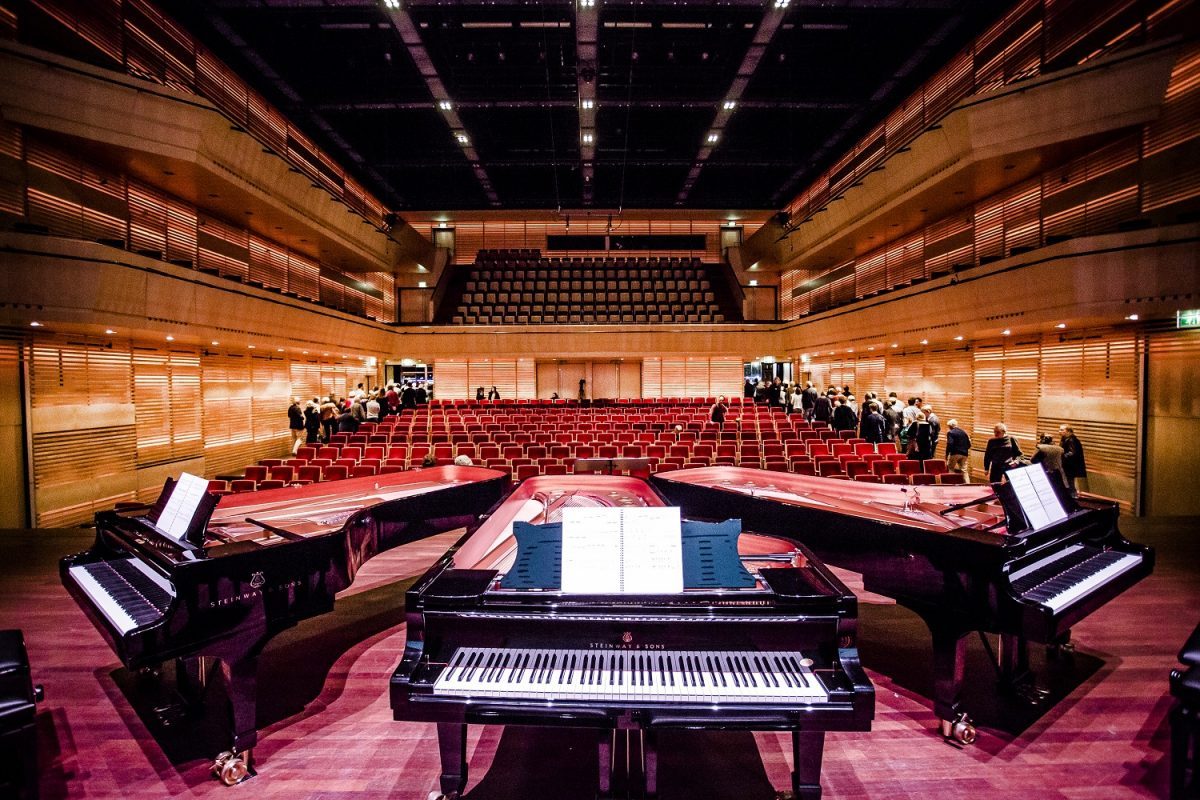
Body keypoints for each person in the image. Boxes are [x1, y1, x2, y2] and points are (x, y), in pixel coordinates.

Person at [1059, 424, 1087, 496]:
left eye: (1062, 430)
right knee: (1069, 482)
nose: (1059, 431)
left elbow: (1072, 453)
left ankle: (1073, 497)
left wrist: (1062, 457)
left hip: (1070, 466)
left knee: (1069, 483)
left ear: (1068, 431)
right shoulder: (1065, 439)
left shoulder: (1072, 440)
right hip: (1068, 465)